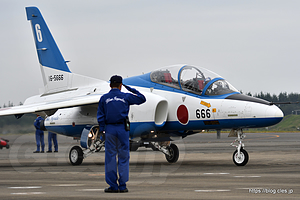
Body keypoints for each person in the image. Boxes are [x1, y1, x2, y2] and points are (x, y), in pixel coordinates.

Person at [97, 75, 146, 193]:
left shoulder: (104, 98)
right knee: (124, 156)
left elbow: (100, 116)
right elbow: (142, 98)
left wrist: (102, 130)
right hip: (122, 129)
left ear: (110, 85)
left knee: (110, 157)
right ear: (120, 85)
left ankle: (113, 186)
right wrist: (130, 89)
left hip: (109, 129)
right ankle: (123, 185)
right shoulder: (125, 96)